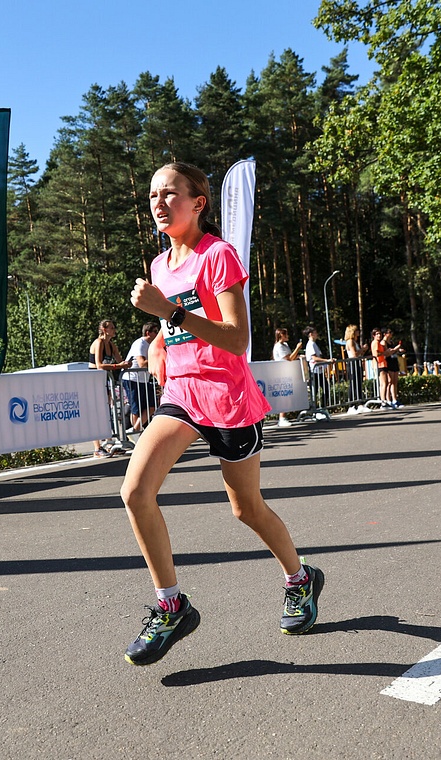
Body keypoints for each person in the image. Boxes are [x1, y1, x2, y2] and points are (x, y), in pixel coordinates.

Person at [119, 162, 323, 666]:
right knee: (135, 491)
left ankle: (300, 579)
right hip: (184, 394)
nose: (159, 203)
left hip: (229, 397)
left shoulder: (219, 256)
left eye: (170, 194)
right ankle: (172, 606)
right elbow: (176, 329)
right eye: (152, 196)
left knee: (246, 509)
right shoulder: (160, 265)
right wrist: (163, 345)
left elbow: (236, 337)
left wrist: (168, 314)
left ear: (199, 203)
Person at [89, 319, 130, 456]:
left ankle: (110, 443)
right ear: (105, 330)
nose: (114, 330)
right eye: (112, 328)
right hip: (94, 380)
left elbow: (120, 360)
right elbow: (99, 364)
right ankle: (97, 447)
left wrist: (127, 363)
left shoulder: (111, 345)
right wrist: (119, 366)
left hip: (105, 380)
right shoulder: (99, 342)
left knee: (107, 411)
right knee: (97, 413)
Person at [122, 322, 160, 433]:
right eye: (155, 332)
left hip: (143, 380)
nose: (157, 334)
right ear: (148, 333)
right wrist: (158, 357)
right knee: (136, 410)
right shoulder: (141, 343)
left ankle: (135, 431)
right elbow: (142, 363)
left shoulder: (151, 345)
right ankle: (136, 433)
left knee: (152, 406)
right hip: (132, 379)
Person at [271, 327, 303, 426]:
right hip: (281, 372)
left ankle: (284, 416)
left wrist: (298, 356)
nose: (288, 336)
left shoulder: (285, 345)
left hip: (287, 371)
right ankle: (282, 417)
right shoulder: (278, 346)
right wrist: (297, 349)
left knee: (287, 395)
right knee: (283, 395)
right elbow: (289, 358)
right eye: (286, 334)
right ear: (281, 335)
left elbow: (291, 356)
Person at [304, 326, 335, 409]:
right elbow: (314, 358)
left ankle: (322, 408)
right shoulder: (310, 344)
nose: (317, 334)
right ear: (311, 334)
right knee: (316, 391)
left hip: (319, 371)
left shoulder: (314, 344)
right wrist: (327, 360)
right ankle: (315, 409)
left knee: (326, 389)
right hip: (315, 372)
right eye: (315, 333)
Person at [343, 324, 367, 411]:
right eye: (356, 331)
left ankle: (360, 404)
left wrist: (363, 350)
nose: (358, 332)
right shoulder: (350, 341)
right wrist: (362, 349)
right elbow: (354, 354)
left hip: (357, 362)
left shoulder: (354, 341)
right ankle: (351, 405)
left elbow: (359, 354)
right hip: (352, 363)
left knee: (359, 383)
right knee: (353, 384)